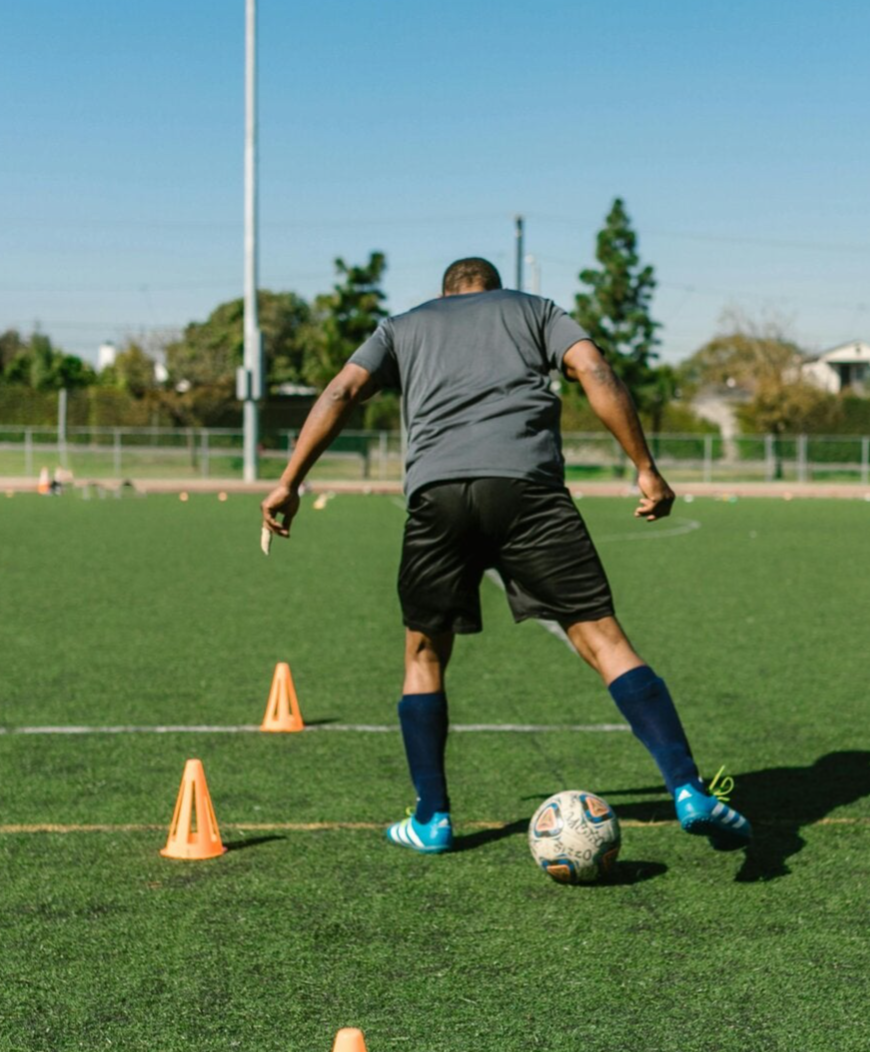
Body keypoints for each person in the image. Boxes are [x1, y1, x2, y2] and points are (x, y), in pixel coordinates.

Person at [261, 256, 751, 855]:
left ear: (445, 294)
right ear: (495, 290)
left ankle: (432, 819)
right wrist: (645, 469)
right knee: (604, 639)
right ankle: (687, 790)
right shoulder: (536, 310)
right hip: (529, 491)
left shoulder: (403, 325)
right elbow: (593, 368)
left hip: (437, 494)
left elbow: (343, 389)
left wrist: (291, 481)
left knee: (423, 652)